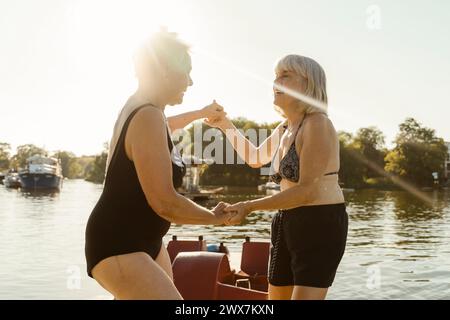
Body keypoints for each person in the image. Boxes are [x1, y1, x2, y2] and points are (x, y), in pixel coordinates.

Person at [85, 30, 231, 300]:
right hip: (118, 244)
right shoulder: (148, 115)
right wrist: (214, 218)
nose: (191, 80)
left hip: (145, 242)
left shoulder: (146, 110)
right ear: (164, 70)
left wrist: (200, 114)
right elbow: (164, 202)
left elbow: (169, 124)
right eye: (186, 71)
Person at [206, 54, 348, 300]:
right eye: (275, 76)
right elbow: (255, 157)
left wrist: (248, 206)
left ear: (308, 84)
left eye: (285, 76)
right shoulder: (285, 127)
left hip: (320, 223)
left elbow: (307, 191)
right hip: (286, 220)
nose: (275, 82)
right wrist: (225, 125)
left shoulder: (317, 124)